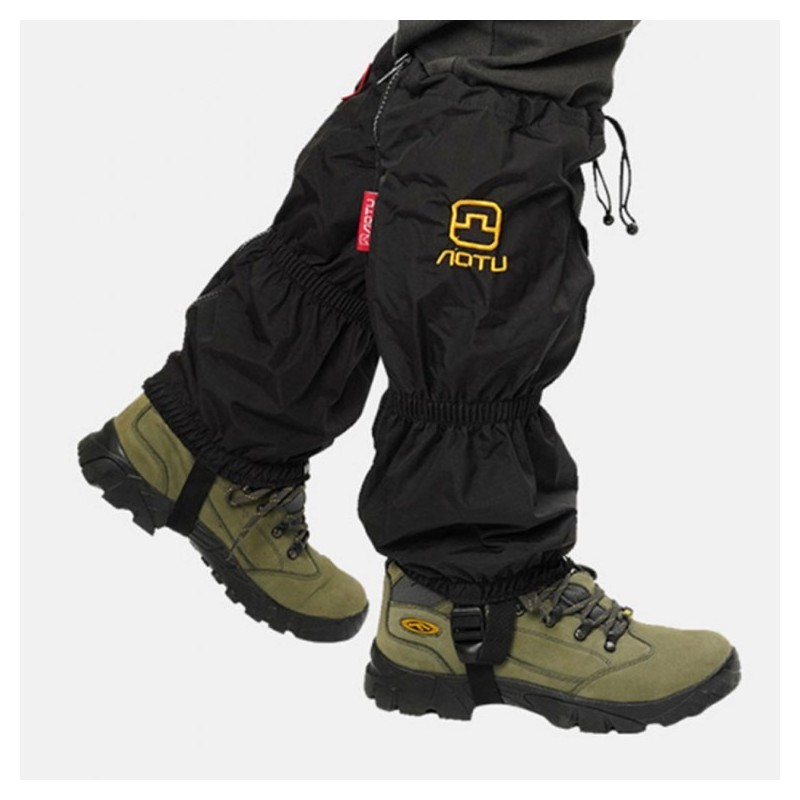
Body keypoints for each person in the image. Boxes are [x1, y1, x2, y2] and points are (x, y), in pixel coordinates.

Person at [78, 21, 740, 731]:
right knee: (513, 65)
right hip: (483, 118)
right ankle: (471, 602)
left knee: (467, 49)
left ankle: (213, 437)